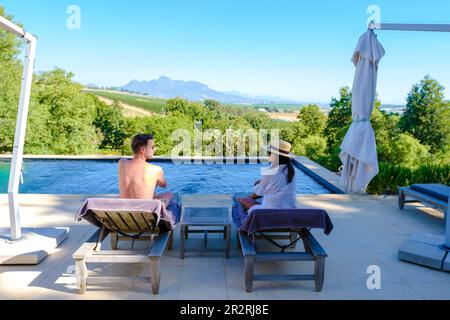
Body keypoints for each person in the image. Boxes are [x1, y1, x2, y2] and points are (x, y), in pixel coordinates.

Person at [237, 139, 297, 213]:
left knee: (242, 200)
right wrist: (261, 182)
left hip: (269, 214)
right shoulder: (291, 170)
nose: (268, 155)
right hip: (290, 212)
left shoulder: (271, 171)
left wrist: (249, 196)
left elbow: (259, 192)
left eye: (269, 153)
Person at [119, 134, 173, 207]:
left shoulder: (122, 163)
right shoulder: (156, 169)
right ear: (143, 150)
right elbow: (163, 185)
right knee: (169, 194)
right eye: (152, 147)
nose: (155, 149)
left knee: (152, 194)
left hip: (124, 210)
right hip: (145, 210)